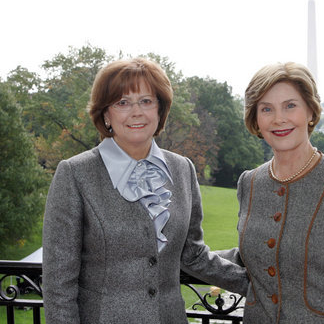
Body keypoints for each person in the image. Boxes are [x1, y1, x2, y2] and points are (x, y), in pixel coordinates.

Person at [42, 57, 248, 324]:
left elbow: (193, 255)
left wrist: (254, 284)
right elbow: (58, 284)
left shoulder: (182, 169)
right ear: (106, 114)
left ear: (160, 110)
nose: (136, 111)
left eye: (146, 101)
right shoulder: (75, 174)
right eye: (122, 103)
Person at [223, 62, 324, 323]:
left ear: (311, 111)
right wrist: (178, 253)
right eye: (267, 109)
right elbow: (252, 255)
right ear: (256, 119)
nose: (279, 118)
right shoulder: (249, 183)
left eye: (290, 105)